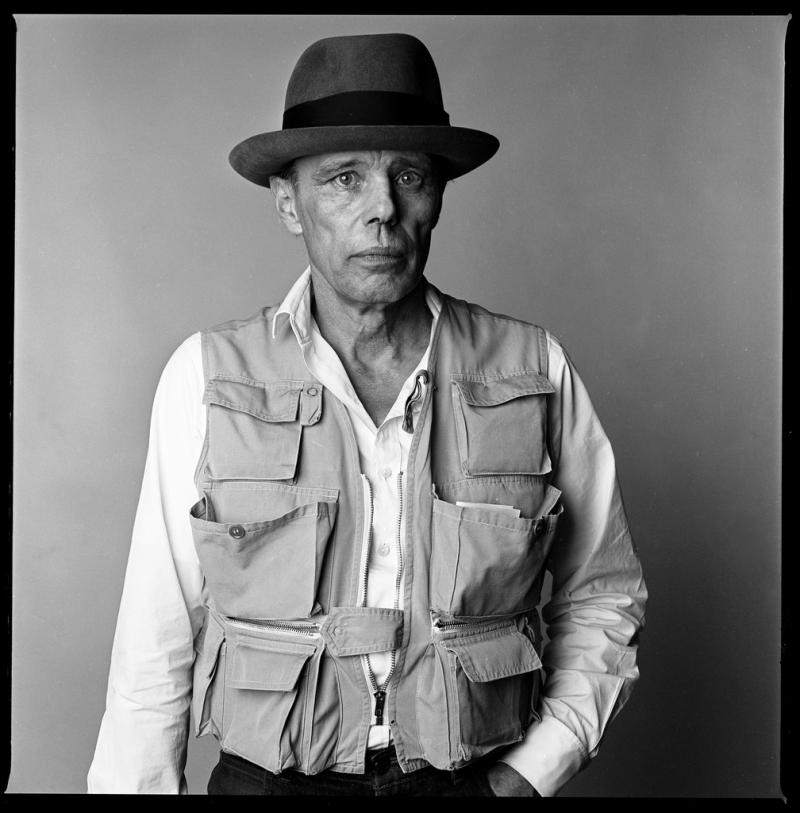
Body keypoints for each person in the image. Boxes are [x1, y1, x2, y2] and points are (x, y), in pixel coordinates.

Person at [87, 32, 647, 797]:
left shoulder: (533, 368)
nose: (382, 209)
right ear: (289, 202)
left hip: (470, 780)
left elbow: (604, 595)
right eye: (344, 179)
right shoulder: (207, 377)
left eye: (408, 175)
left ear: (438, 195)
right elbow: (155, 638)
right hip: (268, 782)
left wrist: (527, 775)